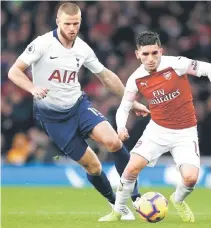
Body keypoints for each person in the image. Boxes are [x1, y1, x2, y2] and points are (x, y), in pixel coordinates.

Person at [8, 2, 150, 221]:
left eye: (75, 23)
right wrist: (33, 88)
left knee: (114, 142)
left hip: (79, 107)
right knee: (93, 166)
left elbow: (105, 76)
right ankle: (116, 204)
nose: (72, 28)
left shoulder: (82, 48)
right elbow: (14, 72)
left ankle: (136, 197)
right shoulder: (42, 44)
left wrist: (130, 101)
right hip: (54, 119)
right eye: (67, 24)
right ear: (58, 22)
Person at [99, 31, 211, 222]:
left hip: (185, 133)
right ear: (138, 54)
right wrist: (121, 127)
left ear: (161, 51)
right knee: (131, 169)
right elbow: (124, 107)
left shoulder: (176, 64)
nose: (150, 58)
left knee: (191, 179)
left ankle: (178, 200)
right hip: (157, 130)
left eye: (154, 53)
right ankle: (118, 211)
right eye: (145, 54)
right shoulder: (136, 78)